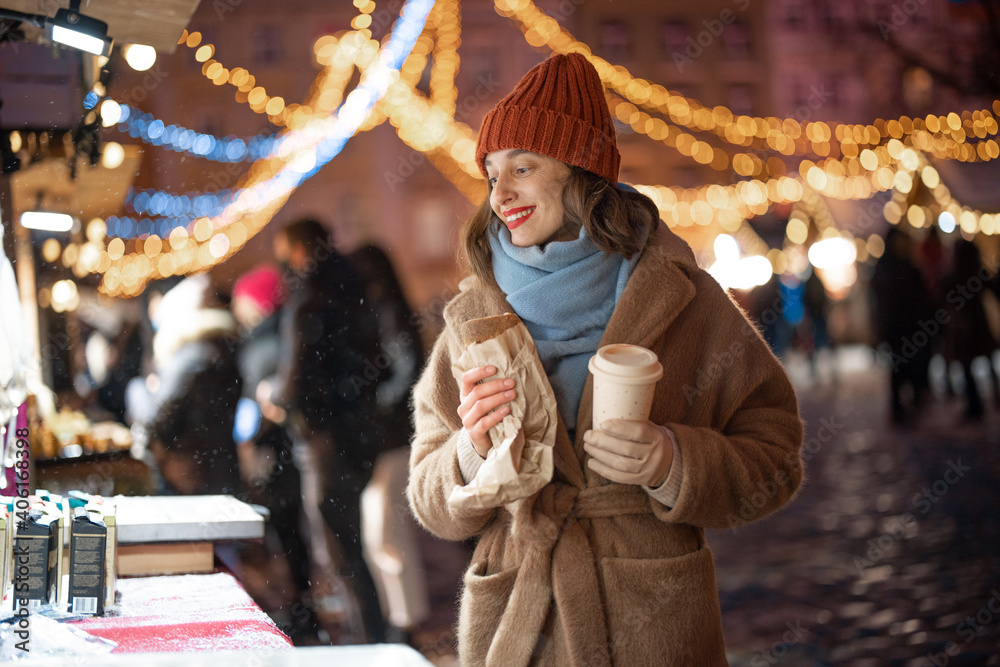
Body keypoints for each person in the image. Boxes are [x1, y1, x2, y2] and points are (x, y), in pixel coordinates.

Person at [407, 53, 804, 666]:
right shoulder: (473, 315)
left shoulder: (681, 297)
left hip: (652, 621)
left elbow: (776, 457)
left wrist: (675, 460)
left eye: (523, 166)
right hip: (519, 619)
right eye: (491, 174)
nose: (501, 192)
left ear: (581, 172)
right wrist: (471, 453)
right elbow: (429, 499)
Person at [262, 219, 387, 643]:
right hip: (357, 433)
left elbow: (294, 381)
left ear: (298, 251)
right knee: (352, 546)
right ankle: (373, 636)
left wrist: (274, 396)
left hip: (323, 440)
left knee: (339, 550)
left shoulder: (308, 300)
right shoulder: (354, 291)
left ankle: (368, 643)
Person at [230, 265, 318, 642]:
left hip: (276, 451)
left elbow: (261, 399)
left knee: (290, 532)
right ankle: (305, 606)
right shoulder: (281, 333)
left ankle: (303, 610)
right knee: (296, 532)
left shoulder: (266, 342)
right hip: (286, 448)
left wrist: (249, 436)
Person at [126, 274, 242, 495]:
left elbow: (154, 415)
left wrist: (138, 389)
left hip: (190, 470)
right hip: (216, 464)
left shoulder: (189, 357)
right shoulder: (218, 348)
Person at [870, 227, 934, 424]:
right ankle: (897, 407)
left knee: (917, 362)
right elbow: (878, 300)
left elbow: (922, 296)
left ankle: (915, 398)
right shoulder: (885, 266)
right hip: (895, 326)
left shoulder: (910, 264)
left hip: (914, 325)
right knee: (898, 366)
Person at [940, 238, 999, 420]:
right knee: (985, 361)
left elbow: (944, 298)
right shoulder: (976, 272)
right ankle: (992, 396)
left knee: (968, 365)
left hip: (964, 327)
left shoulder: (954, 275)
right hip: (976, 324)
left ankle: (975, 405)